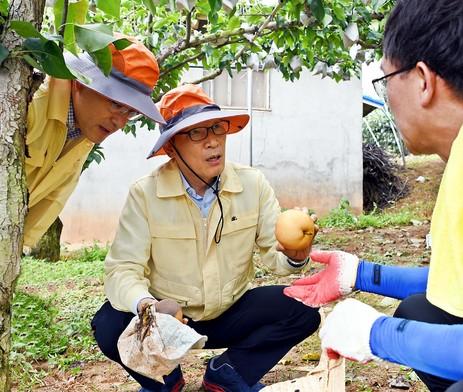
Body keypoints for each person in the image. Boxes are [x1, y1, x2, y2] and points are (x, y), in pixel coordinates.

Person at [284, 0, 463, 391]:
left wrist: (377, 334)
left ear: (422, 79)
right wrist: (360, 273)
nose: (387, 98)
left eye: (386, 80)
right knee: (423, 312)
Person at [91, 84, 321, 392]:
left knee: (303, 308)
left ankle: (226, 373)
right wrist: (149, 306)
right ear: (172, 148)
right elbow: (122, 269)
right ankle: (165, 381)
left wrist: (296, 254)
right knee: (108, 325)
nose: (213, 141)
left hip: (231, 312)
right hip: (170, 319)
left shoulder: (253, 184)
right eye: (197, 133)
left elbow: (273, 255)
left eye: (216, 128)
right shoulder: (145, 194)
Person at [24, 35, 164, 248]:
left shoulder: (84, 136)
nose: (120, 122)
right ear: (81, 81)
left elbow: (50, 202)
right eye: (116, 104)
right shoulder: (29, 106)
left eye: (131, 111)